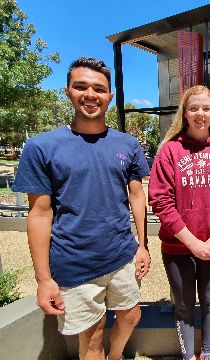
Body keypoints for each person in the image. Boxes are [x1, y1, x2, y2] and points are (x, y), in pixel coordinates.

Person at [12, 57, 151, 360]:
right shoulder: (42, 147)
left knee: (130, 317)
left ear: (110, 96)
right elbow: (39, 214)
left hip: (122, 255)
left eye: (99, 89)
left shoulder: (127, 144)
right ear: (67, 91)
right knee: (92, 334)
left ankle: (115, 357)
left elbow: (137, 196)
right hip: (73, 263)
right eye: (81, 86)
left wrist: (143, 245)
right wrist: (44, 279)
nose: (90, 94)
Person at [148, 85, 210, 360]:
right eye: (194, 108)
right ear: (185, 114)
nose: (200, 113)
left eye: (206, 108)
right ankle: (189, 356)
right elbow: (161, 202)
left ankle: (207, 354)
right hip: (178, 248)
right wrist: (192, 243)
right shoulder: (170, 151)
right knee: (185, 305)